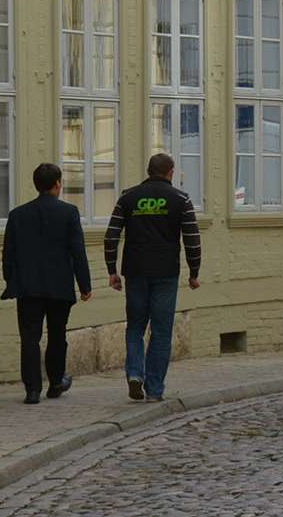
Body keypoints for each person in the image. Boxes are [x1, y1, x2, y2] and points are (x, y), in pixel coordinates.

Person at [104, 151, 202, 402]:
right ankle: (155, 388)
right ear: (170, 172)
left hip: (135, 271)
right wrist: (194, 272)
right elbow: (192, 239)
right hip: (165, 272)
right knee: (161, 331)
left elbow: (111, 235)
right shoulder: (181, 199)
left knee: (135, 326)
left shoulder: (128, 197)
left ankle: (135, 374)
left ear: (148, 171)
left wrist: (112, 271)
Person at [1, 161, 92, 405]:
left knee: (29, 338)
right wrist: (85, 285)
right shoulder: (69, 212)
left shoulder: (18, 215)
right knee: (57, 334)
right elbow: (77, 251)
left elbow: (8, 253)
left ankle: (32, 390)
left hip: (28, 287)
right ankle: (55, 381)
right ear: (57, 184)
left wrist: (11, 280)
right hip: (59, 286)